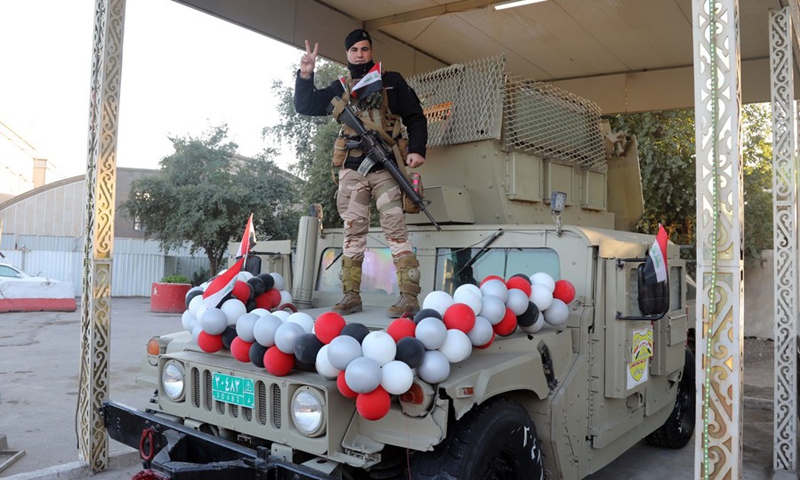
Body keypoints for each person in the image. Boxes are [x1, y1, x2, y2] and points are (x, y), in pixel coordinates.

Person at [294, 29, 428, 318]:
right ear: (347, 53)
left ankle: (409, 297)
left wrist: (417, 149)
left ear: (371, 51)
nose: (360, 54)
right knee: (353, 233)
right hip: (353, 170)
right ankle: (351, 296)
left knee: (396, 231)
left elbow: (416, 116)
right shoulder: (339, 87)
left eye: (364, 49)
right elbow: (304, 105)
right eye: (354, 49)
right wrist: (306, 74)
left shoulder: (390, 82)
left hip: (385, 168)